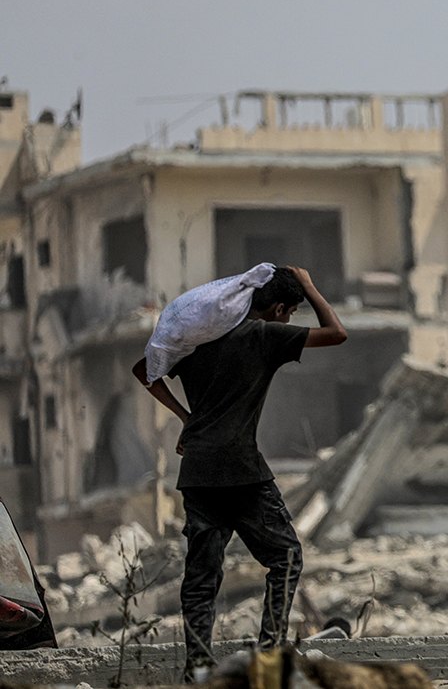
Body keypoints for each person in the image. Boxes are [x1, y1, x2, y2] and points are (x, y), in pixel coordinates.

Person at [131, 266, 347, 681]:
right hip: (242, 471)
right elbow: (336, 332)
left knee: (202, 575)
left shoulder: (195, 341)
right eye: (291, 311)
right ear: (278, 308)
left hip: (197, 473)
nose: (289, 318)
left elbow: (144, 371)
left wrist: (187, 418)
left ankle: (197, 667)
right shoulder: (264, 336)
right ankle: (269, 657)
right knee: (286, 558)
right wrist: (308, 283)